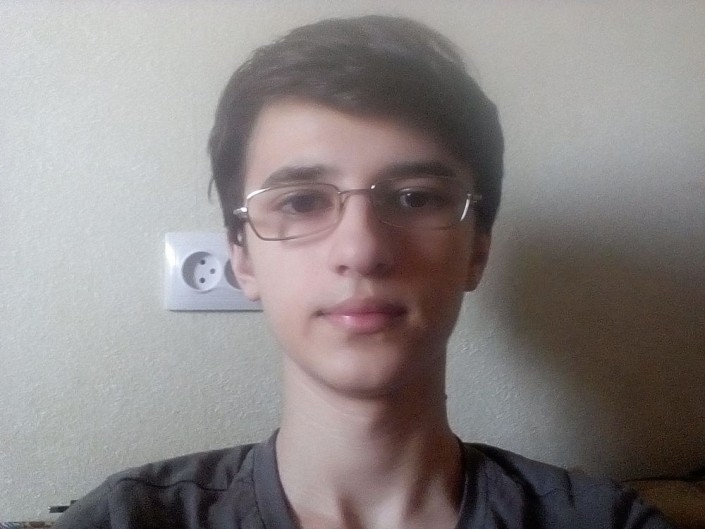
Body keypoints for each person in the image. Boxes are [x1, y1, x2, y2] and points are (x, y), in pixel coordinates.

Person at [55, 15, 674, 529]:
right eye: (302, 201)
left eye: (415, 198)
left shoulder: (606, 522)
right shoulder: (125, 519)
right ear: (242, 257)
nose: (362, 249)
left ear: (478, 249)